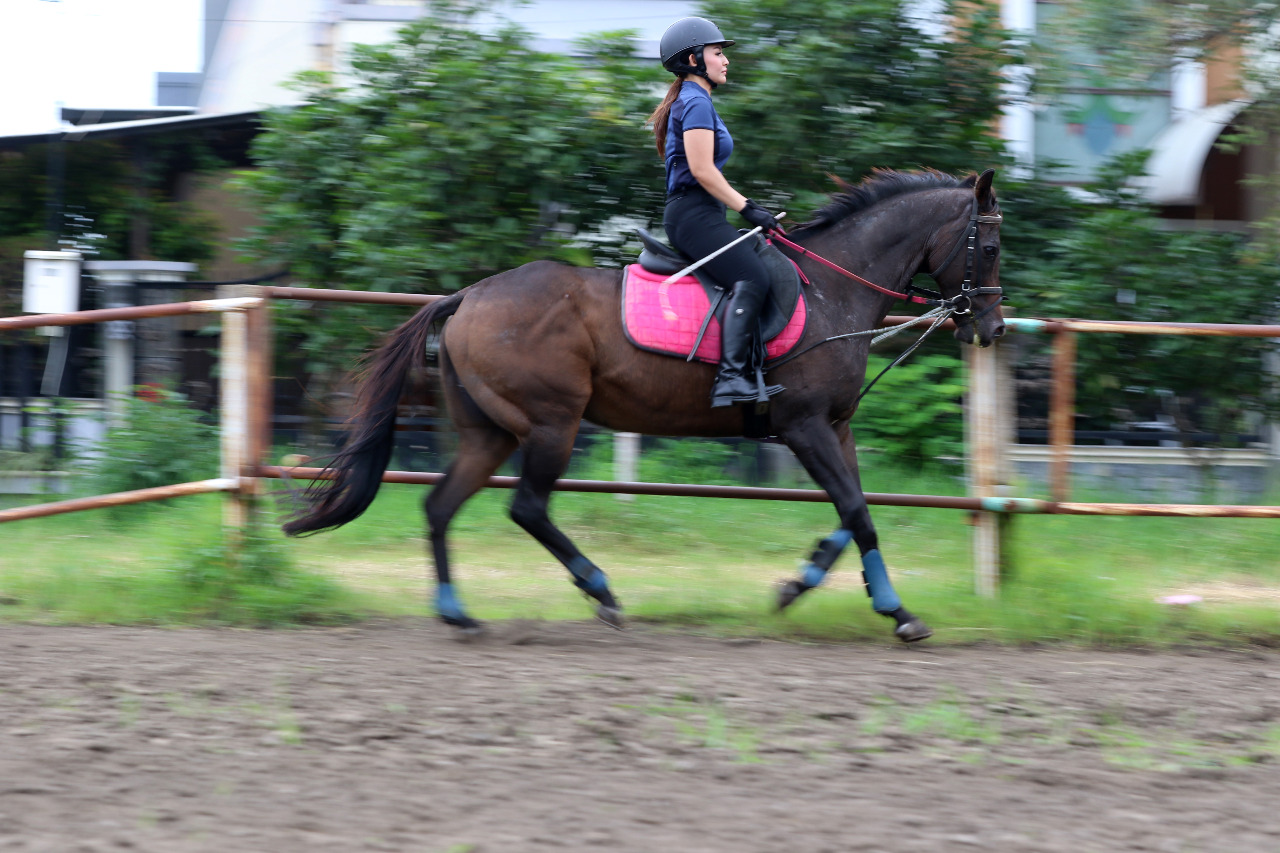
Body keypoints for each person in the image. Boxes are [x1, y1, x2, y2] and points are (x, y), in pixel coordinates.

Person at [648, 16, 784, 408]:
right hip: (693, 216)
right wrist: (750, 209)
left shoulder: (695, 100)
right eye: (718, 53)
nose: (725, 61)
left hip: (703, 214)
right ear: (693, 58)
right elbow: (702, 170)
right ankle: (729, 379)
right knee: (753, 276)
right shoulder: (694, 101)